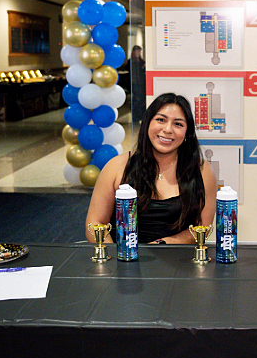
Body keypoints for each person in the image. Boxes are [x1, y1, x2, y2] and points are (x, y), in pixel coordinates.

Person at [86, 92, 217, 244]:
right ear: (147, 123)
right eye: (161, 120)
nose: (168, 129)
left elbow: (202, 228)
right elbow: (95, 223)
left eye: (178, 124)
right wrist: (117, 260)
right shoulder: (116, 167)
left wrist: (163, 244)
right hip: (121, 260)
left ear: (187, 133)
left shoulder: (202, 170)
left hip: (177, 261)